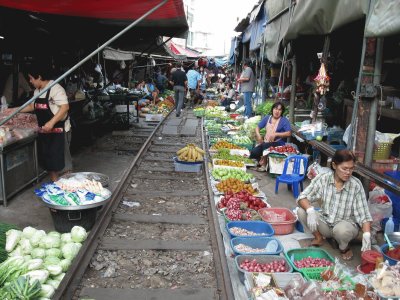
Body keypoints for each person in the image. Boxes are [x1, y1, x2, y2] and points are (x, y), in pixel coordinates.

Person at [297, 149, 372, 261]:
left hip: (345, 226)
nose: (348, 172)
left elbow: (364, 214)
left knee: (341, 231)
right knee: (301, 211)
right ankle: (318, 237)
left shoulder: (356, 185)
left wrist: (366, 234)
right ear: (334, 165)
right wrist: (310, 210)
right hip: (326, 223)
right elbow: (302, 197)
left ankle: (344, 247)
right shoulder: (324, 179)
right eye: (344, 168)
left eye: (351, 169)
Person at [17, 64, 71, 182]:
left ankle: (68, 189)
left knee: (63, 163)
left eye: (31, 78)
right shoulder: (37, 91)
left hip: (60, 130)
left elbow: (64, 107)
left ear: (39, 77)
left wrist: (51, 122)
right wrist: (15, 110)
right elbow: (32, 105)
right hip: (46, 131)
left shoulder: (56, 88)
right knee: (51, 162)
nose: (30, 81)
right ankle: (56, 186)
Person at [250, 102, 291, 172]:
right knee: (254, 152)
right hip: (266, 142)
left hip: (278, 143)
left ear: (282, 112)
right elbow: (257, 127)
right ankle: (260, 160)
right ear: (272, 109)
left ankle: (264, 165)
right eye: (275, 109)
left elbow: (289, 133)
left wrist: (276, 134)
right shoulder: (267, 118)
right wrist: (259, 136)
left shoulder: (284, 120)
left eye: (279, 110)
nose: (277, 111)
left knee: (266, 146)